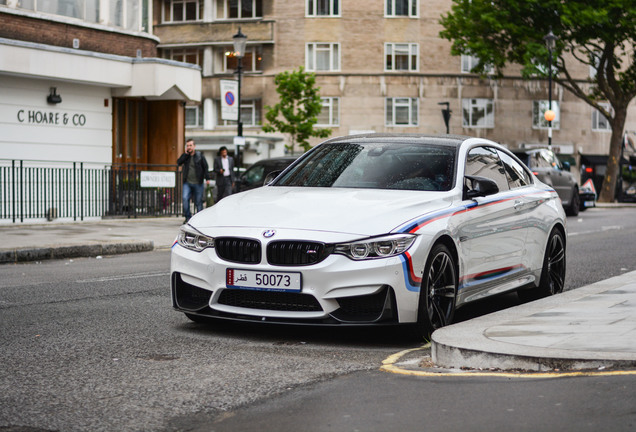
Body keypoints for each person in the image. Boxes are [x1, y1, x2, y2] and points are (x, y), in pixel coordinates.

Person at [177, 139, 210, 223]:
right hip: (187, 182)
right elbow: (178, 162)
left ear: (194, 146)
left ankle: (199, 219)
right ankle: (188, 217)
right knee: (185, 199)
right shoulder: (186, 156)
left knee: (198, 202)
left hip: (198, 183)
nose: (189, 147)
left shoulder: (200, 156)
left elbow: (205, 167)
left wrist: (207, 178)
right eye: (187, 145)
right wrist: (185, 154)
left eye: (190, 145)